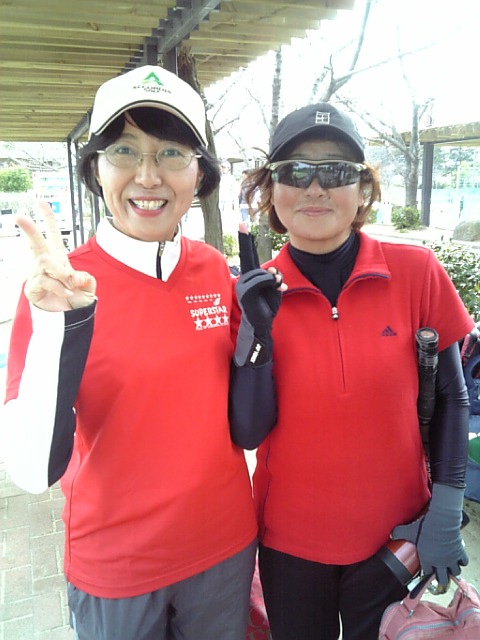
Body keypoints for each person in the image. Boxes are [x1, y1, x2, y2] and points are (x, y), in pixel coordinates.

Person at [1, 64, 282, 640]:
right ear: (96, 168)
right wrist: (59, 326)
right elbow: (30, 471)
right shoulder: (59, 289)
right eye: (124, 150)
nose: (148, 175)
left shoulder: (214, 269)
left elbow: (246, 419)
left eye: (172, 153)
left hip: (224, 549)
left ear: (199, 173)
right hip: (116, 567)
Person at [232, 102, 474, 640]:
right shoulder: (253, 296)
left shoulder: (417, 272)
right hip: (290, 542)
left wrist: (447, 505)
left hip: (398, 537)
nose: (316, 188)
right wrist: (256, 336)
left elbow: (453, 397)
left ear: (363, 189)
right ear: (271, 190)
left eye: (337, 171)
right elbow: (247, 430)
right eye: (296, 171)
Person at [219, 160, 240, 234]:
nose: (222, 168)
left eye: (224, 167)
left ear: (228, 168)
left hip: (228, 200)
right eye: (222, 167)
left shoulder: (231, 178)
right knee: (219, 215)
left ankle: (226, 231)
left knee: (227, 216)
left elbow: (234, 190)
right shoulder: (219, 177)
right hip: (219, 199)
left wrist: (234, 202)